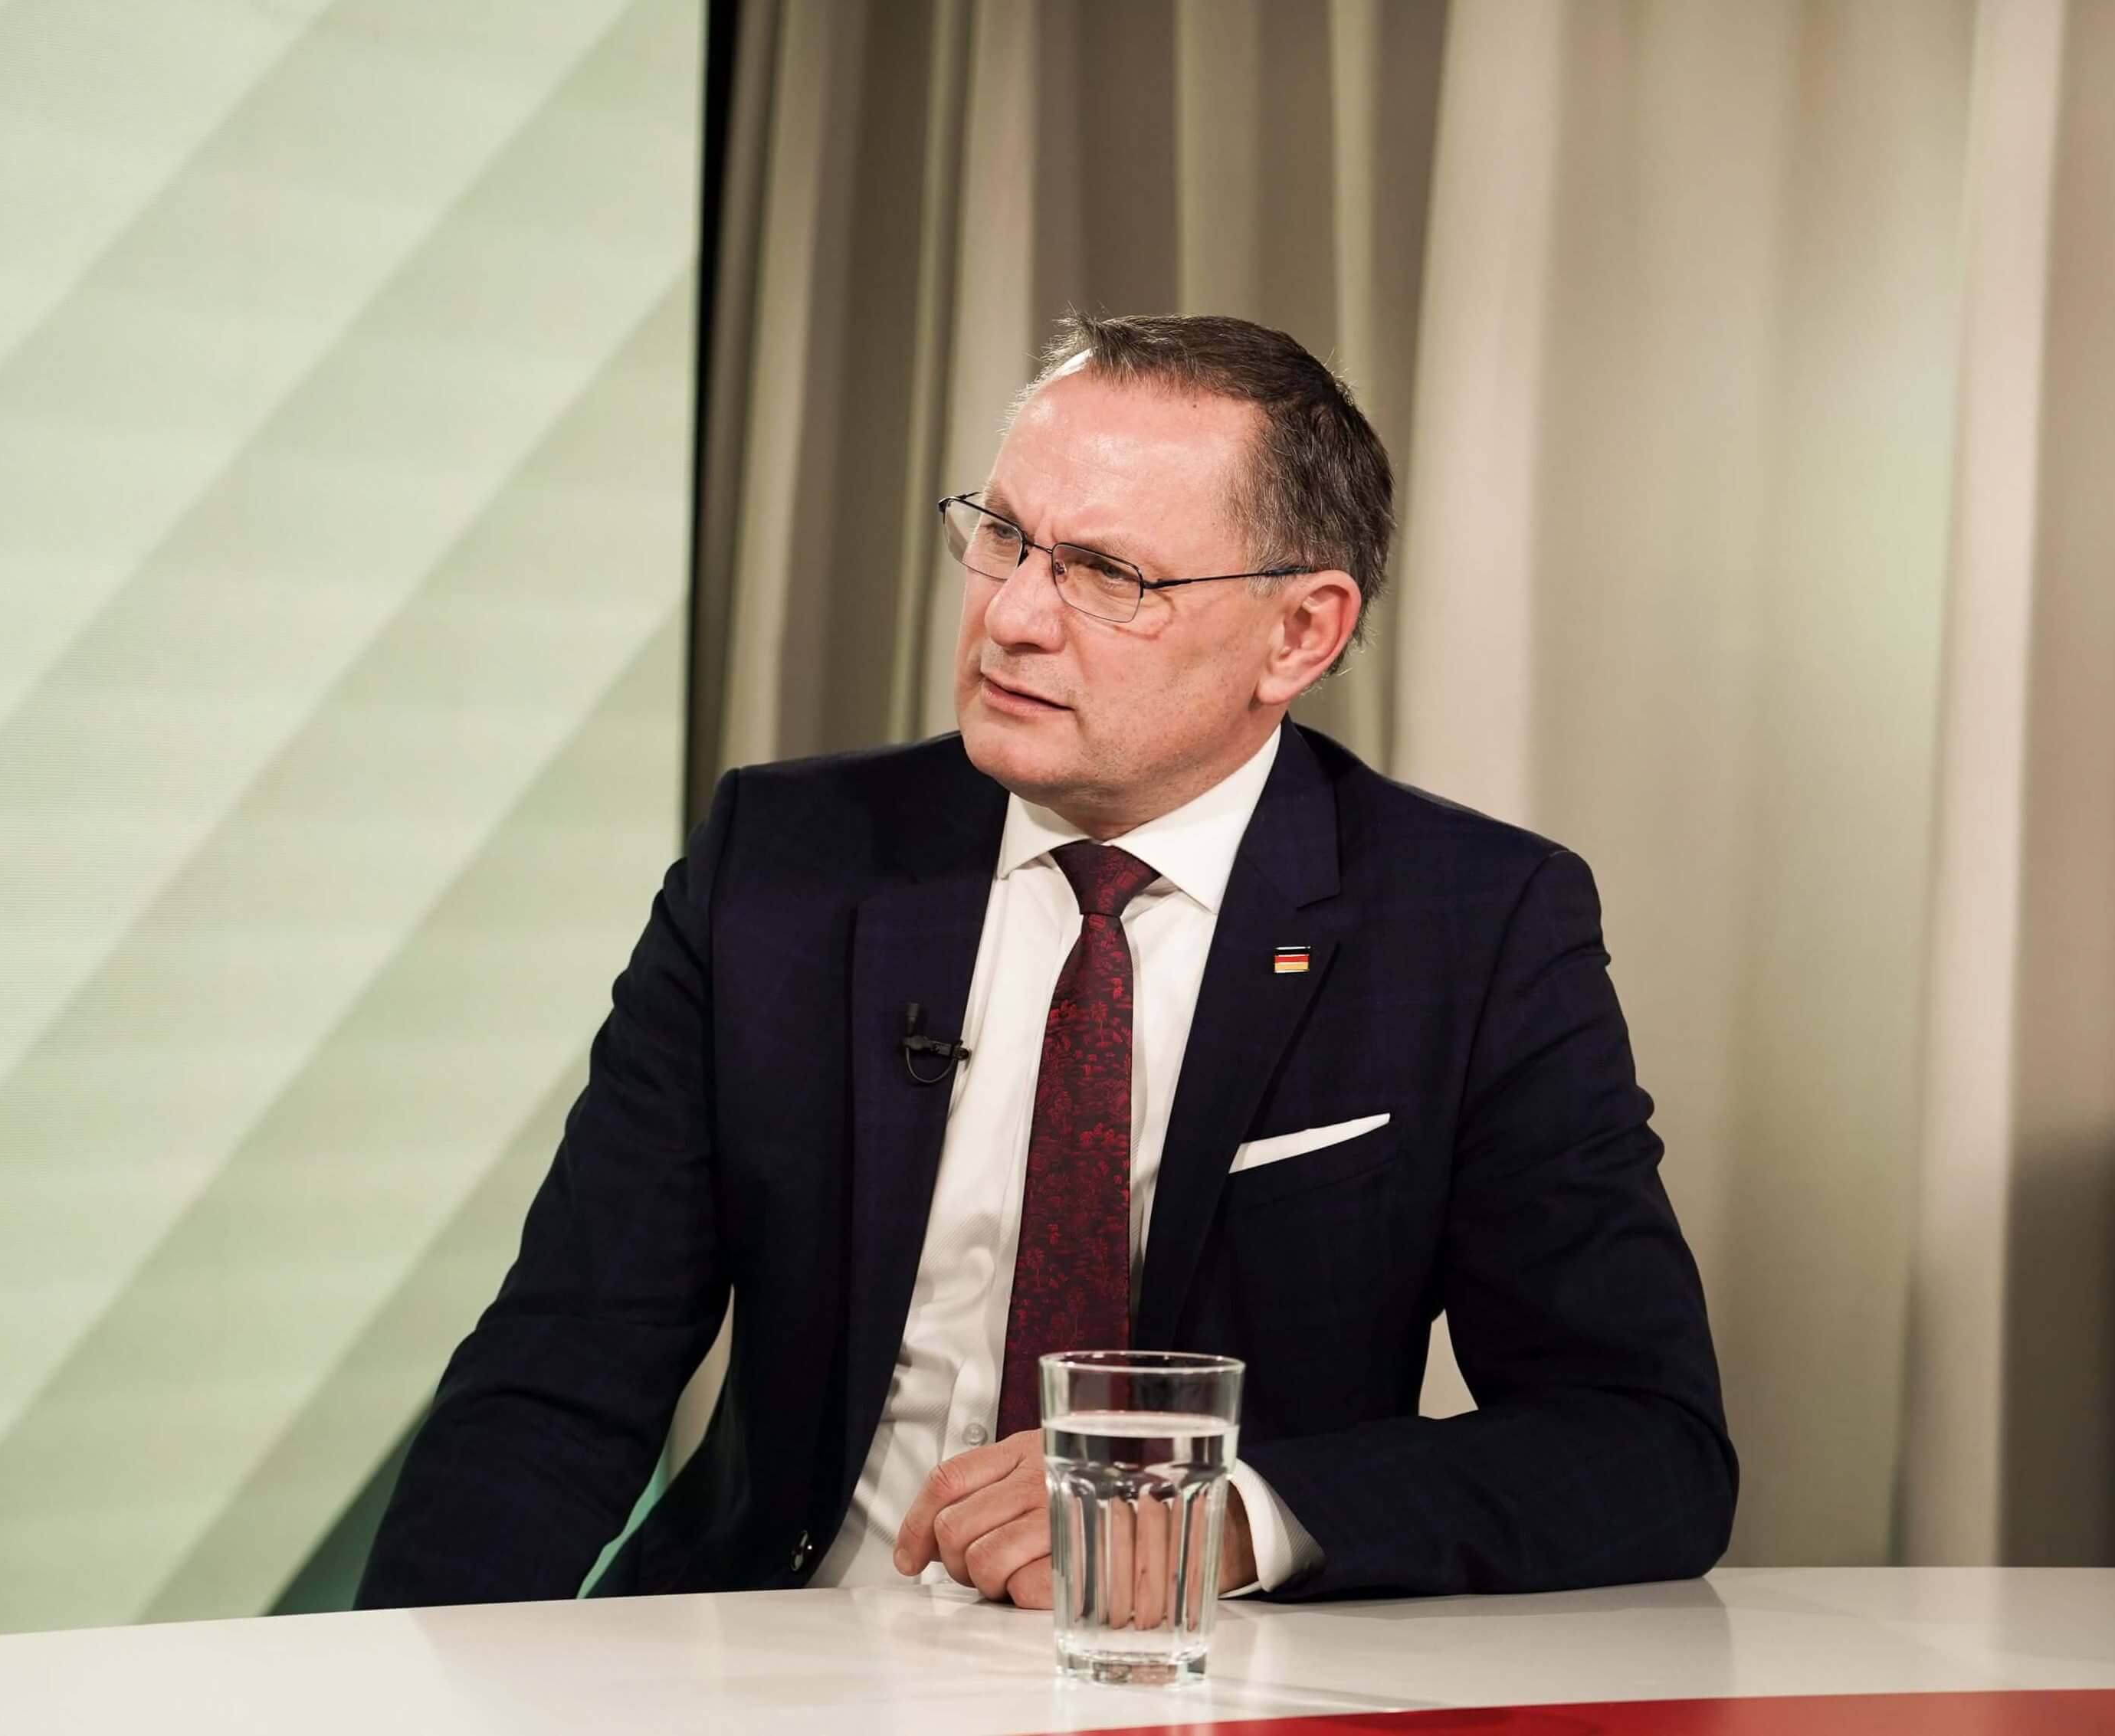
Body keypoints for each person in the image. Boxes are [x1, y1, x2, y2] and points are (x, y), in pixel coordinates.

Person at [357, 313, 1735, 1610]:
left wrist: (1225, 1517)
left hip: (1203, 1675)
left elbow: (1643, 1444)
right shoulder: (783, 866)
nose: (1013, 615)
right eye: (1004, 537)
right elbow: (563, 1368)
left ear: (1298, 632)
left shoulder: (1471, 923)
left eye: (1105, 573)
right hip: (779, 1643)